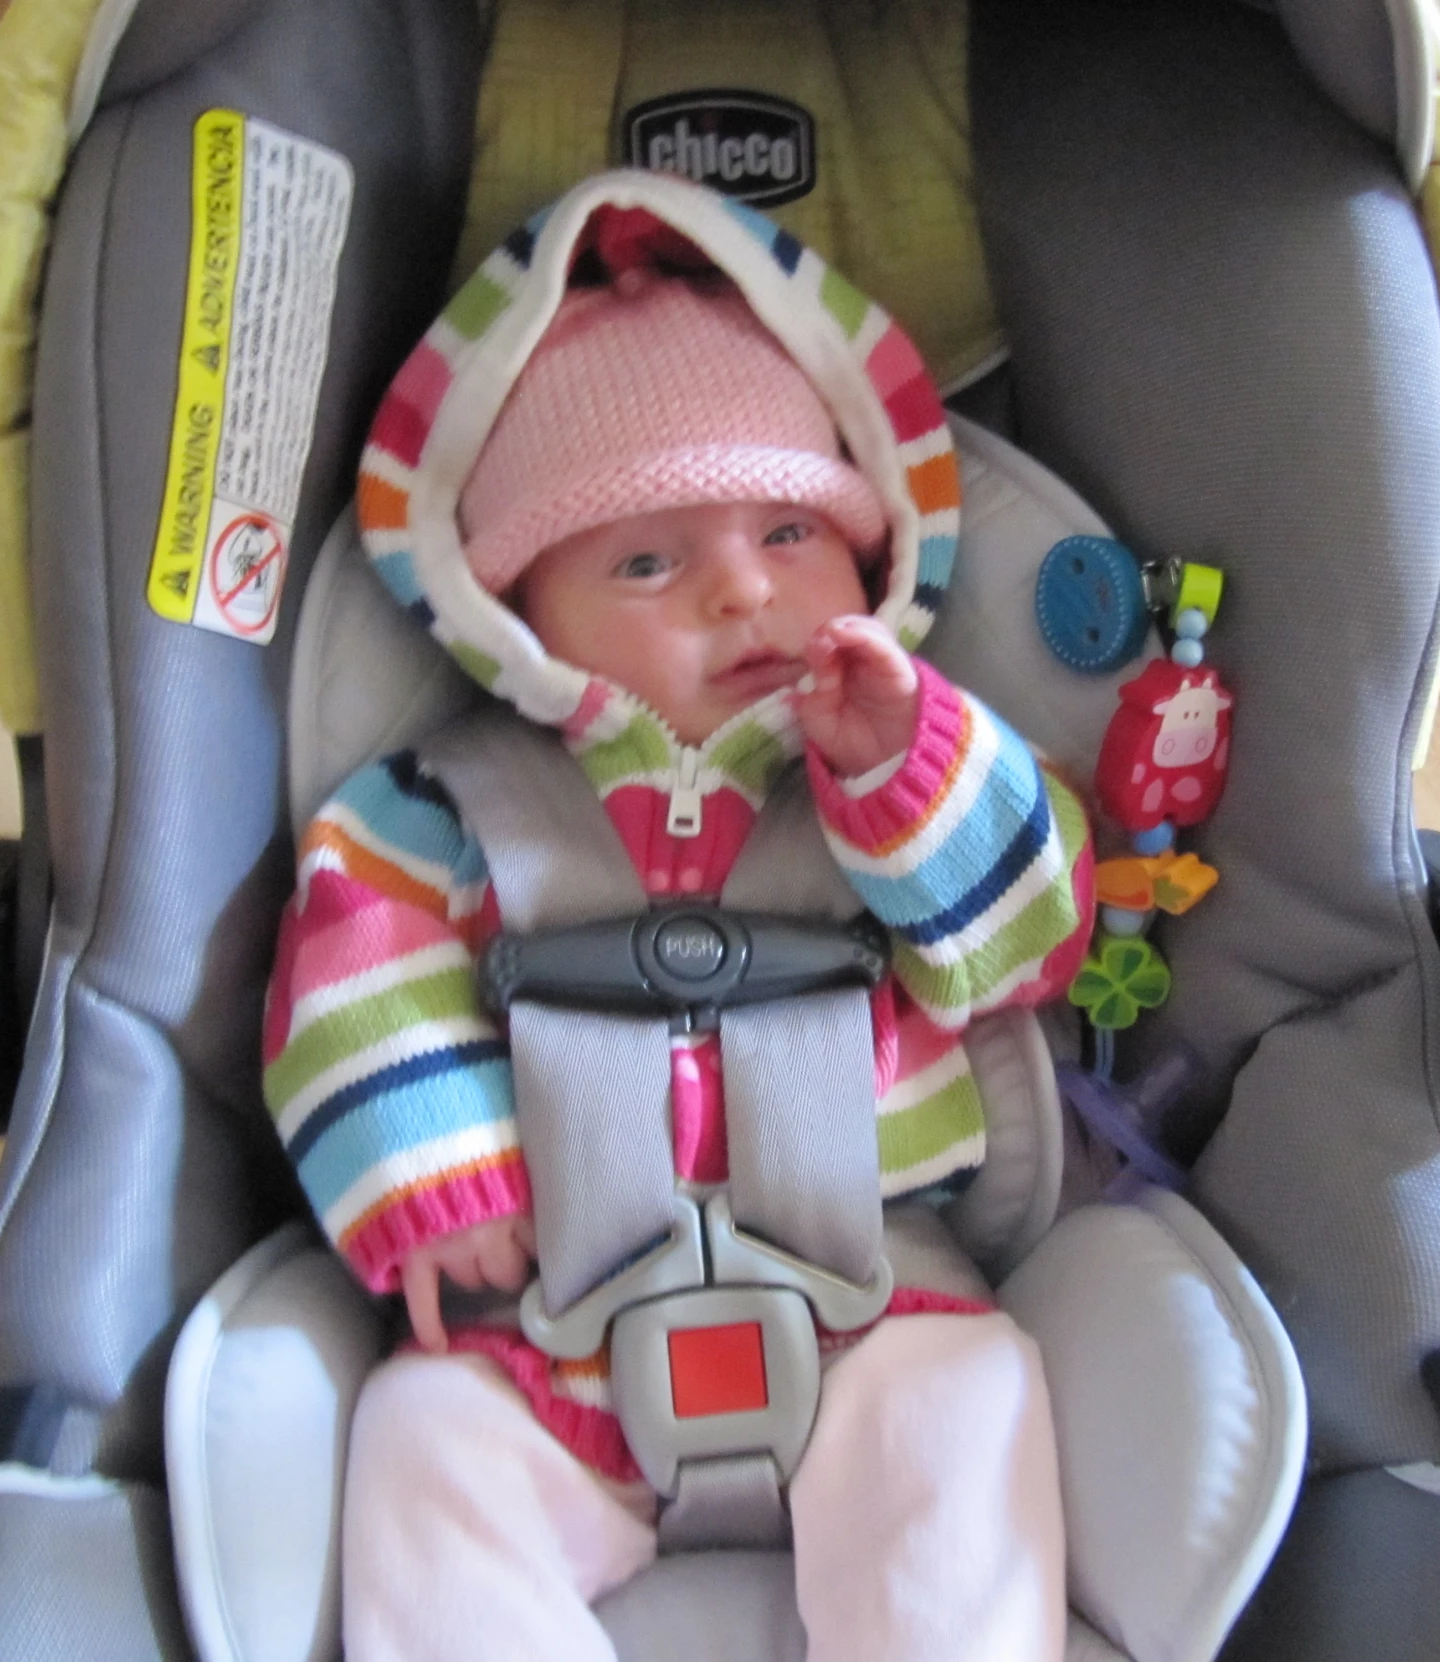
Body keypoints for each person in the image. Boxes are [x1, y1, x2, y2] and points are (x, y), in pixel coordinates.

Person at [262, 174, 1094, 1661]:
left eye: (790, 529)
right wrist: (439, 1179)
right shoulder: (447, 804)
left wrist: (906, 767)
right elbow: (352, 972)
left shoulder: (897, 768)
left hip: (875, 1308)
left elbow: (1037, 935)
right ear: (518, 615)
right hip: (555, 1337)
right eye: (646, 561)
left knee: (971, 1413)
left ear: (868, 554)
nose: (736, 589)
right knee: (420, 1444)